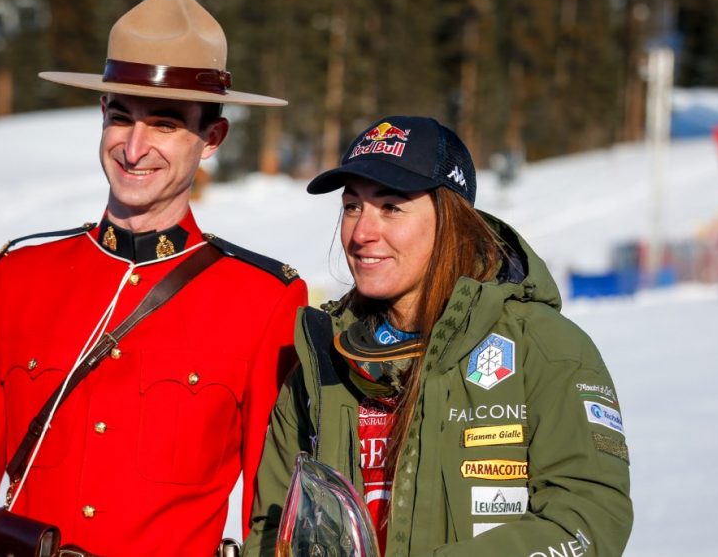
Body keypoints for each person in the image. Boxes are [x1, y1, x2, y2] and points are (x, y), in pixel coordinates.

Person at [0, 0, 306, 556]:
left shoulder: (262, 301)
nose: (134, 148)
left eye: (164, 124)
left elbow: (275, 510)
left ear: (212, 139)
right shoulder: (19, 278)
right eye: (121, 117)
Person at [244, 117, 632, 556]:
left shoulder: (544, 347)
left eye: (391, 207)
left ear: (451, 219)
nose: (362, 233)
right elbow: (274, 527)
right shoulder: (322, 362)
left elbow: (589, 521)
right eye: (352, 206)